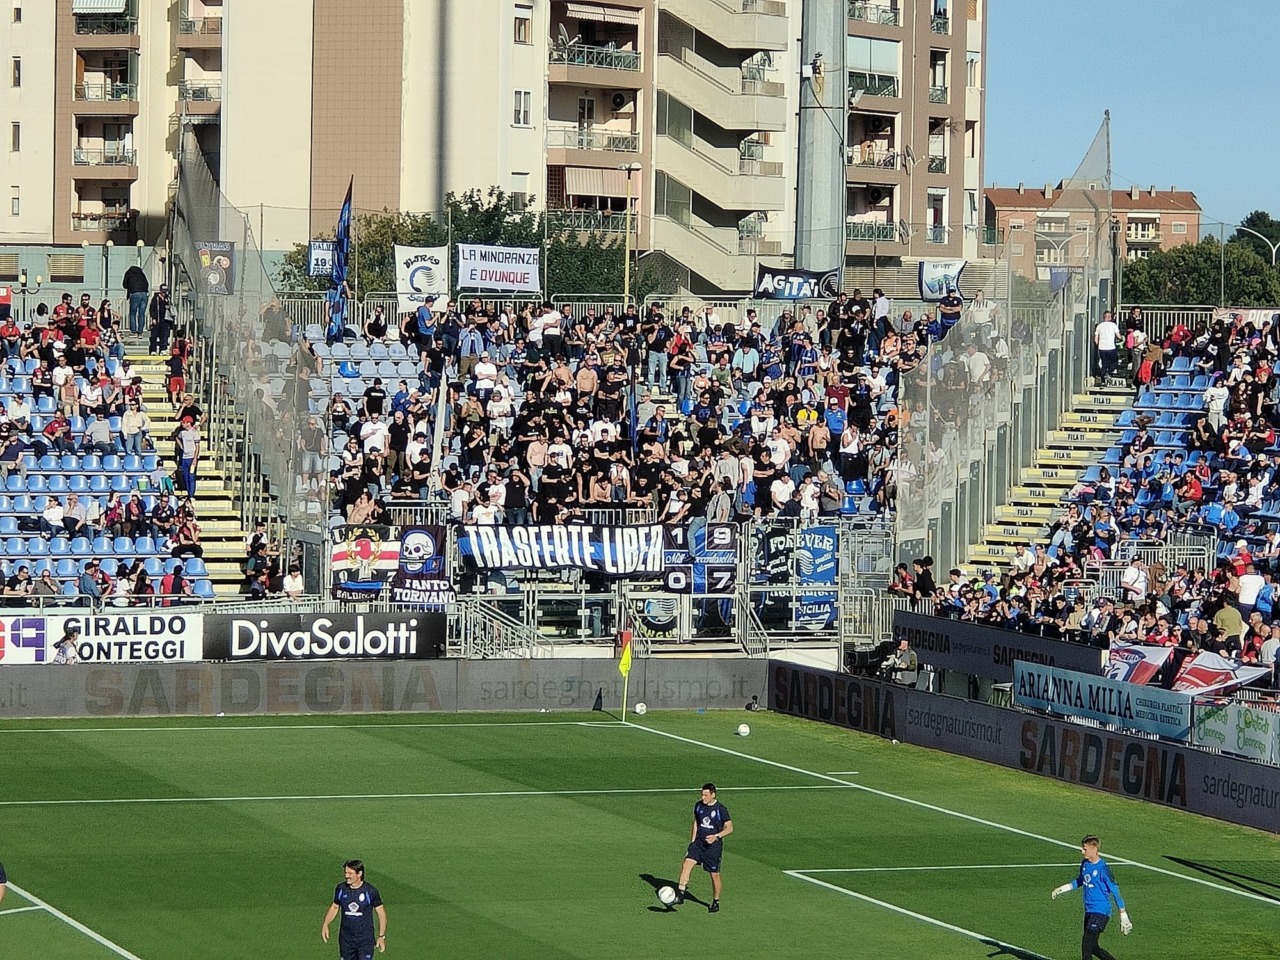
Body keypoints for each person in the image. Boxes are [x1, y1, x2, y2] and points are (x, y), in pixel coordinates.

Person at [1051, 835, 1132, 960]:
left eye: (1085, 849)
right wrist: (1062, 888)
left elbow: (1115, 890)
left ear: (1094, 848)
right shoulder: (1085, 864)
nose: (1082, 851)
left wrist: (1123, 914)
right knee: (1093, 947)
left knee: (1086, 946)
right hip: (1089, 911)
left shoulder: (1103, 869)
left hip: (1101, 911)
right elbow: (1080, 880)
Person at [673, 782, 732, 913]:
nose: (703, 797)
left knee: (714, 875)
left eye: (705, 795)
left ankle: (716, 901)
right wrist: (693, 842)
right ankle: (680, 894)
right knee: (686, 864)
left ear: (713, 795)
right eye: (702, 794)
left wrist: (716, 836)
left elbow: (729, 828)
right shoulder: (699, 806)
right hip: (698, 844)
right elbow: (696, 823)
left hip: (713, 847)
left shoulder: (720, 809)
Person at [321, 859, 387, 959]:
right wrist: (326, 924)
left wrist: (381, 936)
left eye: (350, 873)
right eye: (345, 872)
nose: (346, 876)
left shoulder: (370, 891)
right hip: (346, 940)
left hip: (365, 940)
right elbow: (335, 907)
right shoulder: (341, 889)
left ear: (359, 873)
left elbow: (381, 914)